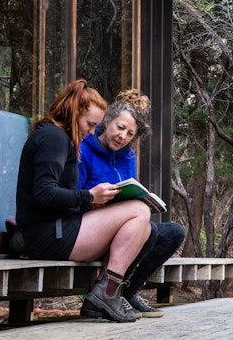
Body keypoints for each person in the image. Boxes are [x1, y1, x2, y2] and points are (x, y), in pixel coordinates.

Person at [15, 79, 152, 323]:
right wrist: (89, 196)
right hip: (48, 236)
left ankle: (103, 293)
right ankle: (107, 293)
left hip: (57, 230)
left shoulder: (56, 136)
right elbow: (44, 193)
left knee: (144, 225)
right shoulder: (53, 137)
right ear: (73, 112)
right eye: (90, 125)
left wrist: (91, 202)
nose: (91, 132)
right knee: (139, 211)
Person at [78, 89, 186, 318]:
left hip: (121, 227)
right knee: (151, 230)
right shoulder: (84, 148)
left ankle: (126, 292)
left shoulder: (128, 156)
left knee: (173, 232)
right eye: (120, 128)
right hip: (90, 225)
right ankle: (108, 293)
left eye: (130, 134)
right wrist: (92, 201)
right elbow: (73, 195)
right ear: (107, 122)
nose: (123, 136)